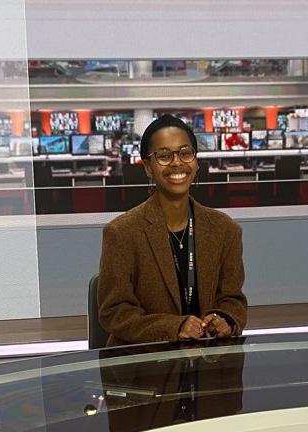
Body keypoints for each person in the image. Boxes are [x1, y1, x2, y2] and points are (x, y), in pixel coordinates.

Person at [98, 114, 247, 347]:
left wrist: (225, 319)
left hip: (207, 359)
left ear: (196, 162)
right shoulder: (122, 233)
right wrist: (174, 327)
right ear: (148, 167)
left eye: (185, 153)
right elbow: (115, 312)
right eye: (164, 156)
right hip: (142, 361)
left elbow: (233, 299)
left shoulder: (225, 230)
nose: (177, 163)